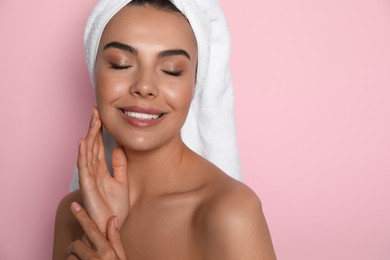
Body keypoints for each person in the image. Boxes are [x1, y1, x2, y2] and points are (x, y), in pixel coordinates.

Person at [53, 0, 276, 259]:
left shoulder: (231, 212)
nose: (145, 86)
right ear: (95, 72)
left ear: (195, 85)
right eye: (121, 64)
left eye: (171, 71)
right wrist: (101, 232)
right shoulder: (73, 212)